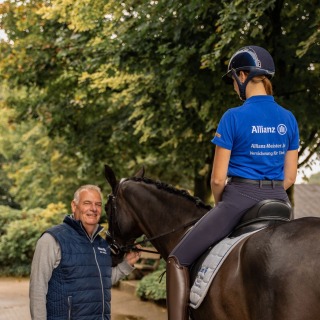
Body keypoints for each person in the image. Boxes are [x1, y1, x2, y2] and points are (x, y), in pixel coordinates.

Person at [166, 45, 300, 320]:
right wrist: (271, 193)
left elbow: (217, 178)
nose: (233, 87)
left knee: (177, 259)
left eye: (233, 80)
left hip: (240, 198)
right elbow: (290, 177)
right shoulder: (288, 119)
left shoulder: (233, 117)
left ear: (242, 75)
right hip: (279, 202)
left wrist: (222, 204)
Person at [29, 184, 141, 320]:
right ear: (74, 206)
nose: (93, 209)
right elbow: (37, 289)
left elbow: (102, 281)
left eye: (98, 204)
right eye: (87, 203)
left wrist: (127, 264)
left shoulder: (102, 244)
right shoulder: (52, 239)